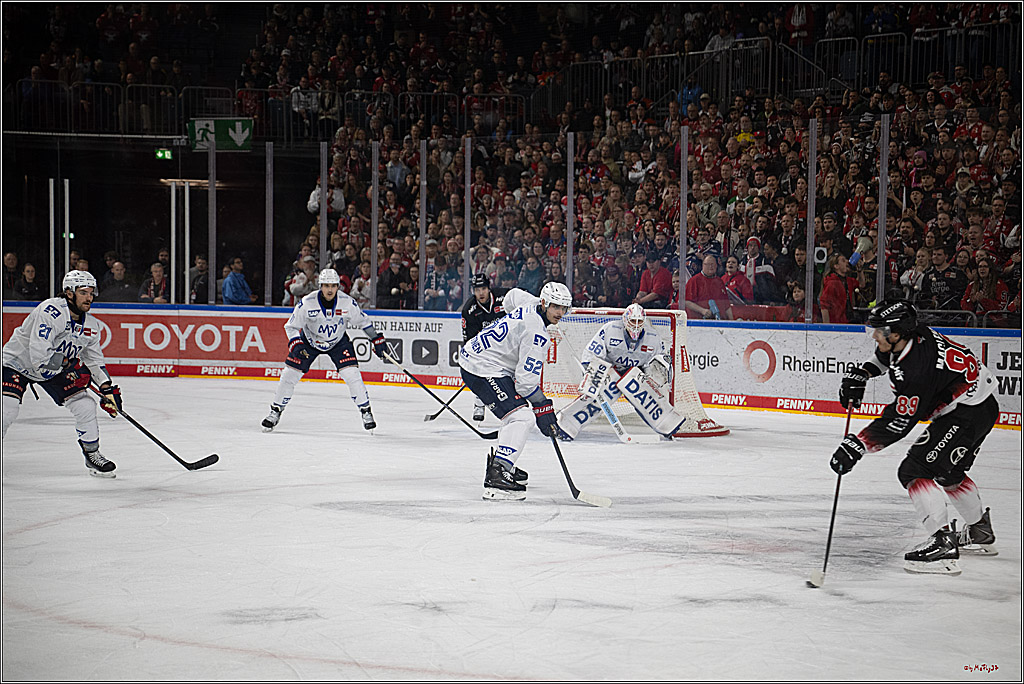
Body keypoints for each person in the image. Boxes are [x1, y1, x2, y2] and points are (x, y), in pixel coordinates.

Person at [832, 300, 1000, 575]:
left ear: (897, 333)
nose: (874, 336)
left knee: (914, 469)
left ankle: (942, 543)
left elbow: (900, 421)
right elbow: (886, 357)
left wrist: (857, 444)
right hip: (979, 405)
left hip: (966, 413)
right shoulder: (911, 336)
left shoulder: (917, 371)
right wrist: (863, 373)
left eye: (879, 330)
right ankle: (980, 530)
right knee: (949, 473)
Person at [2, 271, 124, 477]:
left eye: (91, 293)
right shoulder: (51, 311)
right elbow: (39, 356)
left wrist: (107, 388)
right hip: (17, 363)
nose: (89, 298)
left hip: (54, 368)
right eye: (83, 292)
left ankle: (92, 454)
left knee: (85, 404)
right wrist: (70, 364)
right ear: (69, 292)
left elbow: (94, 360)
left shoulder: (91, 326)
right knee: (7, 407)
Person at [458, 282, 572, 500]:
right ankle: (498, 474)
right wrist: (543, 406)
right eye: (556, 307)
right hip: (482, 367)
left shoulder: (529, 302)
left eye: (564, 308)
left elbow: (510, 297)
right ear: (545, 303)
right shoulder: (537, 335)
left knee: (516, 412)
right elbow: (526, 384)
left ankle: (503, 464)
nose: (560, 313)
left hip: (479, 358)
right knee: (522, 416)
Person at [261, 269, 387, 433]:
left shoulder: (347, 302)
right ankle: (275, 410)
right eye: (326, 286)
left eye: (333, 286)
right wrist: (296, 344)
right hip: (309, 341)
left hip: (338, 341)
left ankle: (366, 411)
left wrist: (376, 339)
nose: (330, 290)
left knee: (353, 375)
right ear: (320, 286)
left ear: (338, 287)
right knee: (289, 375)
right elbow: (291, 327)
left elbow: (363, 322)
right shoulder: (307, 303)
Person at [558, 303, 673, 440]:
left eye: (639, 321)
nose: (636, 325)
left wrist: (651, 378)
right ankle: (567, 424)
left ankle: (667, 422)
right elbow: (592, 352)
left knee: (644, 394)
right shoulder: (610, 329)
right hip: (609, 372)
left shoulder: (653, 337)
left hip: (634, 374)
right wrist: (591, 374)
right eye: (633, 321)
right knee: (595, 397)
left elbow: (658, 364)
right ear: (625, 320)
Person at [461, 273, 508, 421]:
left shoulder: (503, 297)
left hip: (508, 344)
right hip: (485, 349)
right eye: (477, 289)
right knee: (481, 373)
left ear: (489, 288)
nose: (480, 293)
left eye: (483, 288)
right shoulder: (469, 310)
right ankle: (479, 403)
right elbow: (469, 341)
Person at [685, 255, 734, 320]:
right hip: (700, 323)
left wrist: (732, 321)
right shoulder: (694, 281)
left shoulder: (719, 281)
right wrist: (702, 310)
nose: (711, 267)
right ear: (703, 265)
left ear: (716, 266)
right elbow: (687, 302)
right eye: (708, 264)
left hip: (720, 322)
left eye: (713, 264)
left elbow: (727, 306)